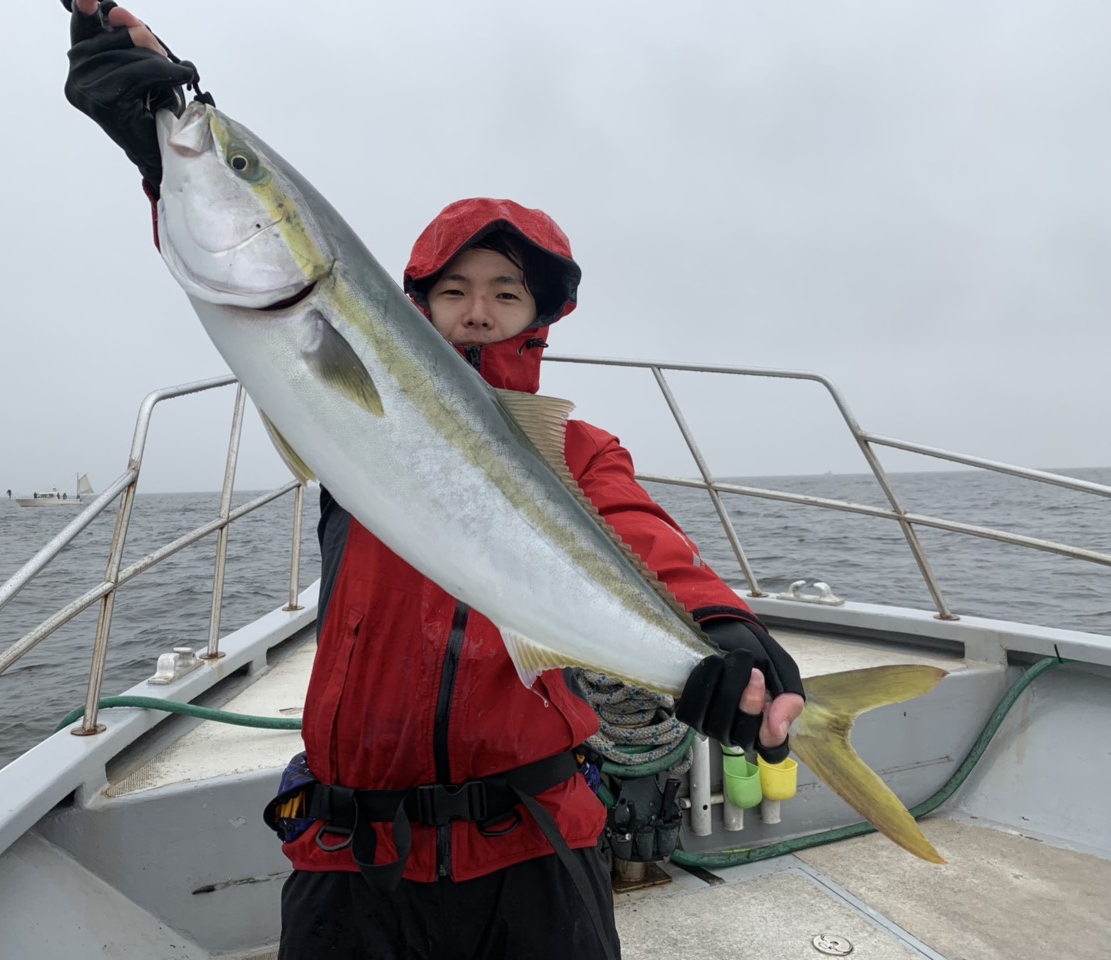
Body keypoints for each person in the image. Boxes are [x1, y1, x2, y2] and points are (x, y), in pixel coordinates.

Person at [63, 5, 806, 958]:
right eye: (452, 291)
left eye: (506, 292)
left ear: (541, 314)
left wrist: (719, 629)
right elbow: (236, 246)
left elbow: (639, 534)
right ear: (413, 305)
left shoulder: (575, 448)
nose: (478, 311)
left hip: (533, 847)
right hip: (350, 849)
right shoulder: (343, 425)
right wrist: (163, 137)